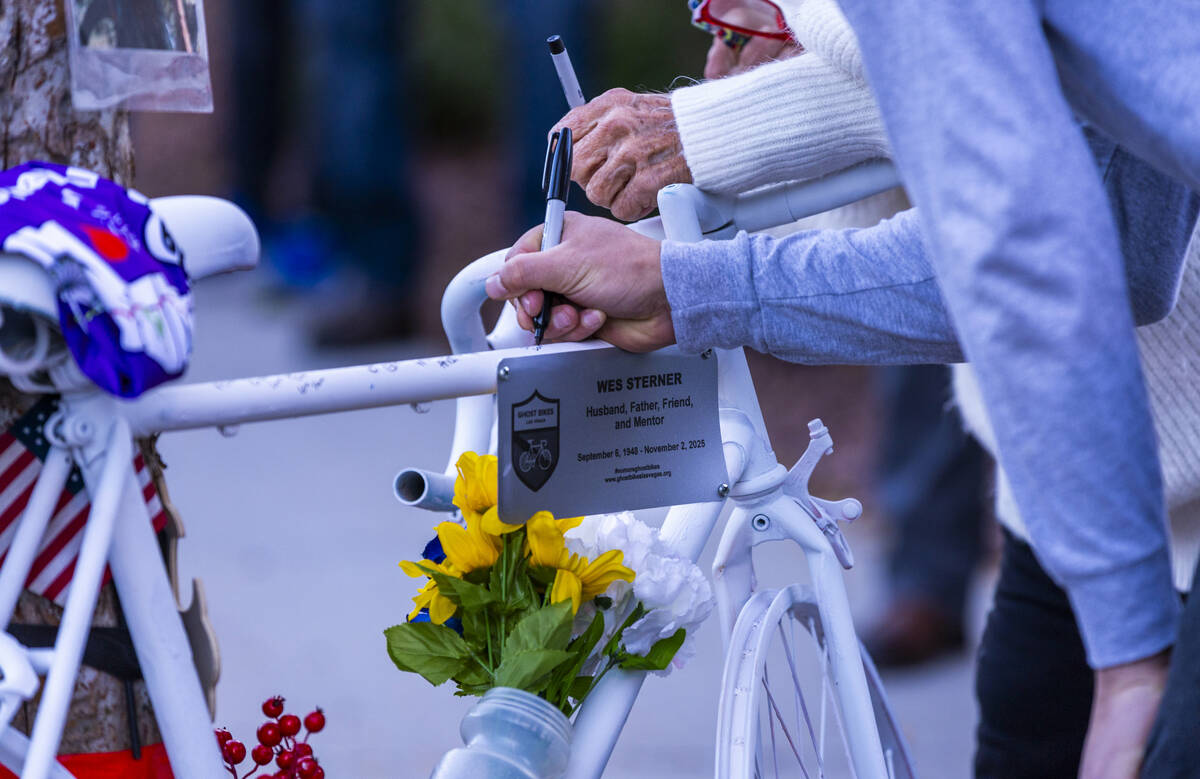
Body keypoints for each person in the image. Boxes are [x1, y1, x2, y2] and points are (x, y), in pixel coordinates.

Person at [484, 1, 1200, 773]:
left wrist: (718, 144)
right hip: (1064, 480)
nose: (716, 68)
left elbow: (1079, 240)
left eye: (734, 33)